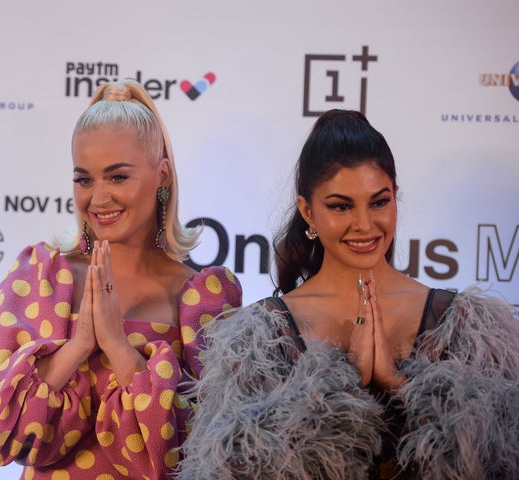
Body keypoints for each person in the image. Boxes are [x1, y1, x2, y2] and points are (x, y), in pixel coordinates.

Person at [178, 109, 519, 479]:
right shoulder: (259, 337)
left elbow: (502, 459)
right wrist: (342, 382)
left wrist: (400, 386)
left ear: (395, 197)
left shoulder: (465, 324)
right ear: (308, 211)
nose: (364, 224)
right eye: (341, 206)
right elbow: (226, 468)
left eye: (379, 202)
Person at [0, 79, 242, 479]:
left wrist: (119, 347)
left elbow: (210, 449)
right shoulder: (41, 278)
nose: (98, 198)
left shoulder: (202, 297)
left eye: (117, 177)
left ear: (162, 176)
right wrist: (79, 345)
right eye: (84, 179)